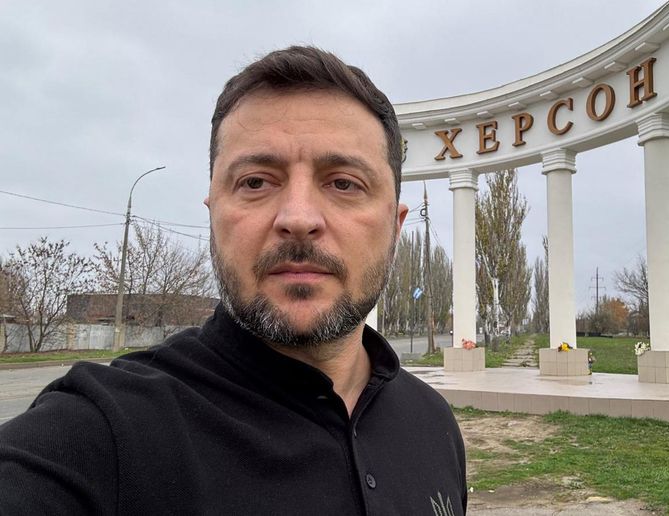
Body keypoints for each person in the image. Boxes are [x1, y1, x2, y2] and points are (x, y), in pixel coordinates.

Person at [0, 46, 467, 515]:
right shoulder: (98, 436)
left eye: (344, 182)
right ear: (213, 214)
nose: (298, 218)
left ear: (395, 224)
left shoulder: (434, 423)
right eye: (256, 182)